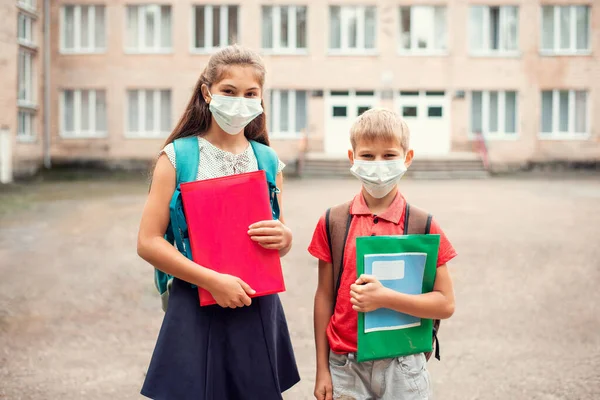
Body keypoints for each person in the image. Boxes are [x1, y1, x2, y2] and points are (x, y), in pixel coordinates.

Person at [137, 45, 300, 400]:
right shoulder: (177, 157)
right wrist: (212, 281)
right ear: (207, 92)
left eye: (250, 94)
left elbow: (279, 235)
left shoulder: (268, 160)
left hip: (256, 304)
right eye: (229, 91)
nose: (240, 100)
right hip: (195, 302)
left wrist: (285, 238)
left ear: (260, 99)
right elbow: (148, 242)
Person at [309, 108, 457, 400]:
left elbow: (446, 304)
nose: (378, 164)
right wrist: (321, 369)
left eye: (389, 155)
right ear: (352, 158)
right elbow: (324, 296)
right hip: (344, 365)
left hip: (403, 363)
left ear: (407, 158)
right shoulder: (333, 221)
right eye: (367, 155)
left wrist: (384, 298)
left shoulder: (423, 224)